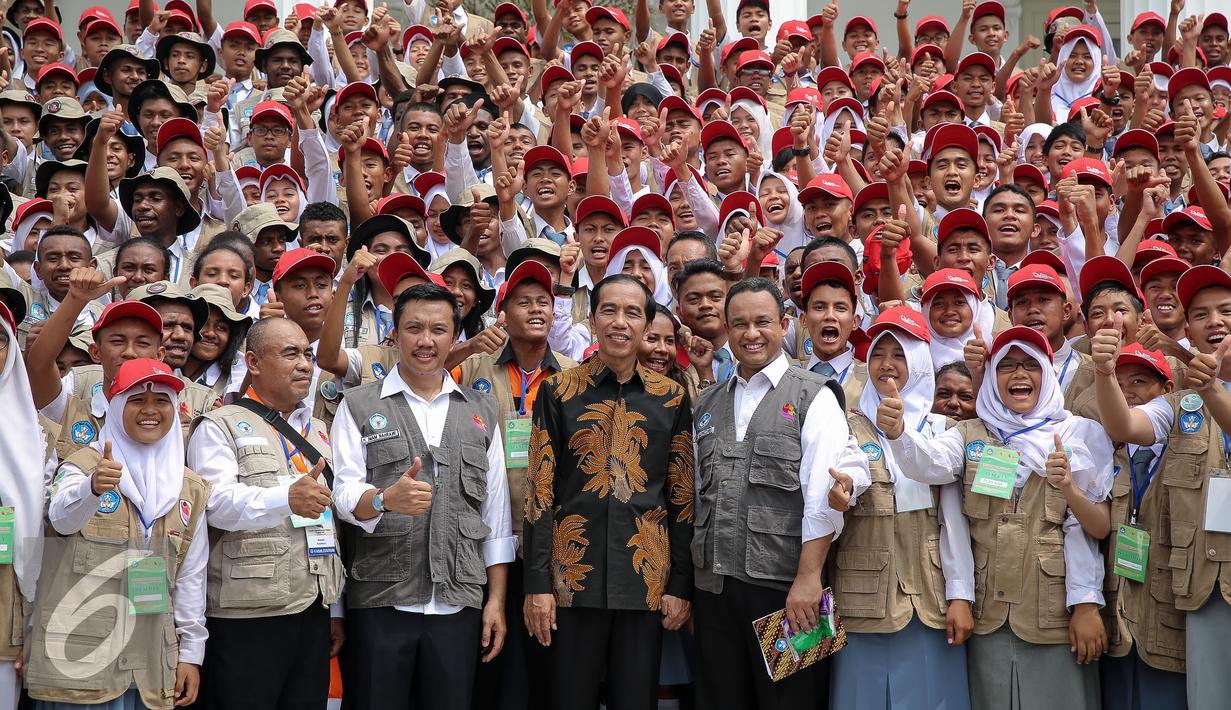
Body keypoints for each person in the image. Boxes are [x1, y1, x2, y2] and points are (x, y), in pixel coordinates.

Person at [882, 325, 1112, 709]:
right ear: (990, 376)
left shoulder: (1077, 434)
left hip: (1054, 616)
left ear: (1047, 371)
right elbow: (929, 463)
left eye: (1030, 365)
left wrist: (1086, 604)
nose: (1019, 374)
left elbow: (1087, 530)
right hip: (989, 616)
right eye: (1006, 365)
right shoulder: (971, 433)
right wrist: (900, 433)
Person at [330, 283, 515, 709]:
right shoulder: (357, 405)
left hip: (458, 603)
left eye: (438, 329)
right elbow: (343, 492)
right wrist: (382, 500)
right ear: (394, 334)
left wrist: (497, 603)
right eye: (414, 328)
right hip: (381, 601)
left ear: (455, 337)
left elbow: (497, 514)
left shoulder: (481, 411)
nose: (426, 341)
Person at [691, 276, 864, 708]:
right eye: (740, 324)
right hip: (715, 591)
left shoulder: (814, 395)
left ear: (785, 324)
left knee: (791, 703)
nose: (751, 334)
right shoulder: (708, 403)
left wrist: (808, 578)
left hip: (786, 591)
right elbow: (696, 497)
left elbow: (822, 493)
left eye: (763, 322)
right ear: (727, 330)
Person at [524, 274, 695, 710]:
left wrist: (680, 584)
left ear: (646, 324)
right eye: (609, 310)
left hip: (644, 581)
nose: (620, 322)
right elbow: (539, 492)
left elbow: (680, 496)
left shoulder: (672, 398)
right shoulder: (558, 390)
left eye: (632, 312)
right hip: (570, 582)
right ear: (593, 319)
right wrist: (537, 585)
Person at [28, 358, 210, 709]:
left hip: (150, 663)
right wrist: (92, 490)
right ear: (115, 406)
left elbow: (190, 577)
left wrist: (191, 654)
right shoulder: (81, 465)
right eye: (137, 400)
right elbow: (61, 519)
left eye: (161, 401)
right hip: (79, 660)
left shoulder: (191, 487)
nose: (150, 411)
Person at [186, 317, 344, 709]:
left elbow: (330, 520)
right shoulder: (219, 426)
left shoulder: (319, 429)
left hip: (312, 607)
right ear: (253, 362)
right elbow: (217, 504)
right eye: (290, 353)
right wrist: (286, 499)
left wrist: (335, 606)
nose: (305, 364)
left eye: (307, 354)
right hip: (246, 613)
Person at [831, 305, 973, 710]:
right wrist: (843, 489)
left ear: (919, 362)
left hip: (931, 598)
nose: (886, 364)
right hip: (863, 600)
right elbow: (851, 468)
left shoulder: (943, 428)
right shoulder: (848, 422)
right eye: (877, 354)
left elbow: (952, 518)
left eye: (899, 354)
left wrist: (961, 594)